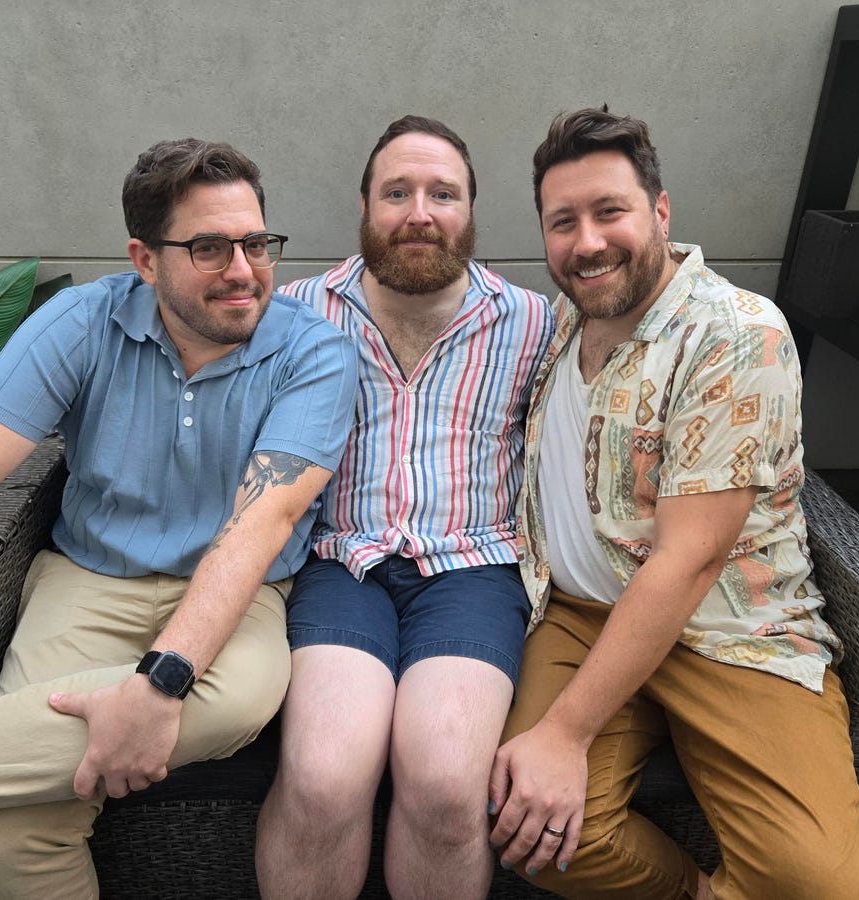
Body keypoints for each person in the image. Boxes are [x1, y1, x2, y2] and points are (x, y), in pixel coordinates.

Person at [0, 138, 358, 898]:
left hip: (241, 592)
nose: (243, 270)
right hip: (89, 580)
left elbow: (260, 526)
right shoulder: (83, 322)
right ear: (144, 259)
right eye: (208, 247)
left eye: (257, 242)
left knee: (234, 698)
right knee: (11, 838)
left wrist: (159, 684)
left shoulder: (316, 354)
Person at [486, 104, 859, 900]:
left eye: (610, 211)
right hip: (577, 610)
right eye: (563, 222)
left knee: (818, 887)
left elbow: (690, 558)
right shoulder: (566, 318)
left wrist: (565, 731)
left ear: (660, 212)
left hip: (727, 625)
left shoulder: (736, 333)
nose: (586, 241)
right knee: (530, 827)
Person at [255, 116, 553, 899]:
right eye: (397, 192)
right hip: (339, 561)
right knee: (322, 777)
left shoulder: (532, 322)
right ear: (364, 206)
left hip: (474, 569)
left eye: (442, 193)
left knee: (449, 784)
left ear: (471, 212)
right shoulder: (296, 311)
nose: (419, 211)